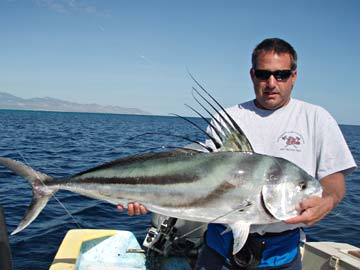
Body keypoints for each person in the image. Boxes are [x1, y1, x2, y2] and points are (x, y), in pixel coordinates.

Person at [118, 38, 357, 269]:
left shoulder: (316, 119)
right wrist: (146, 197)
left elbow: (334, 181)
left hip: (281, 253)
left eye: (281, 74)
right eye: (263, 74)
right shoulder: (227, 118)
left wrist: (327, 201)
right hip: (219, 249)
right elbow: (201, 178)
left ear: (293, 76)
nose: (272, 82)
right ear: (252, 75)